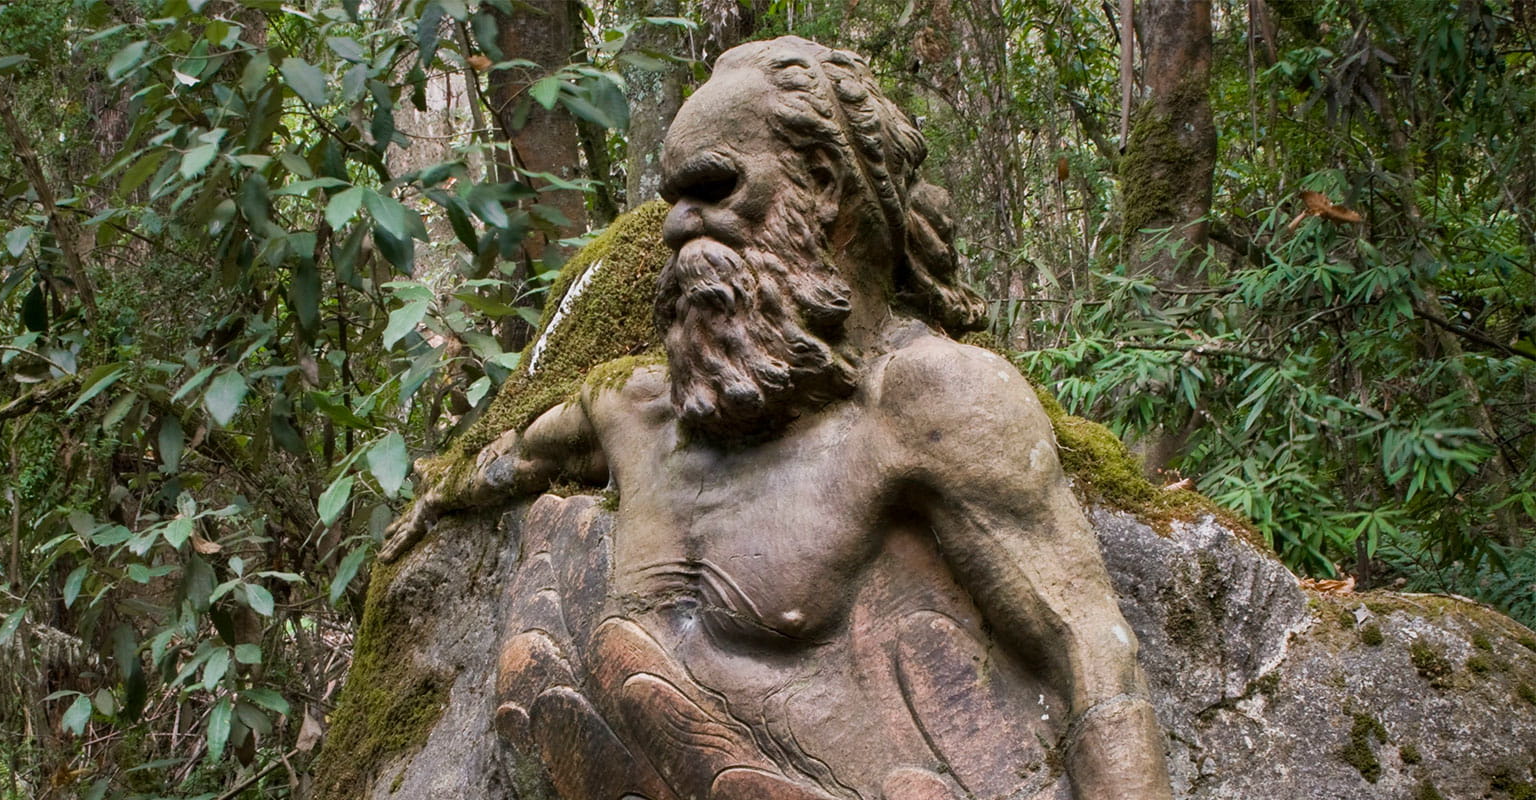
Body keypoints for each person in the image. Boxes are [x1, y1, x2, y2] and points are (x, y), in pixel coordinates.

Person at [384, 36, 1171, 800]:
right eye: (672, 202)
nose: (676, 227)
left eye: (713, 187)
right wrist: (435, 496)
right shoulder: (636, 407)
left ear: (822, 181)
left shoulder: (932, 398)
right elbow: (515, 458)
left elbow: (1087, 651)